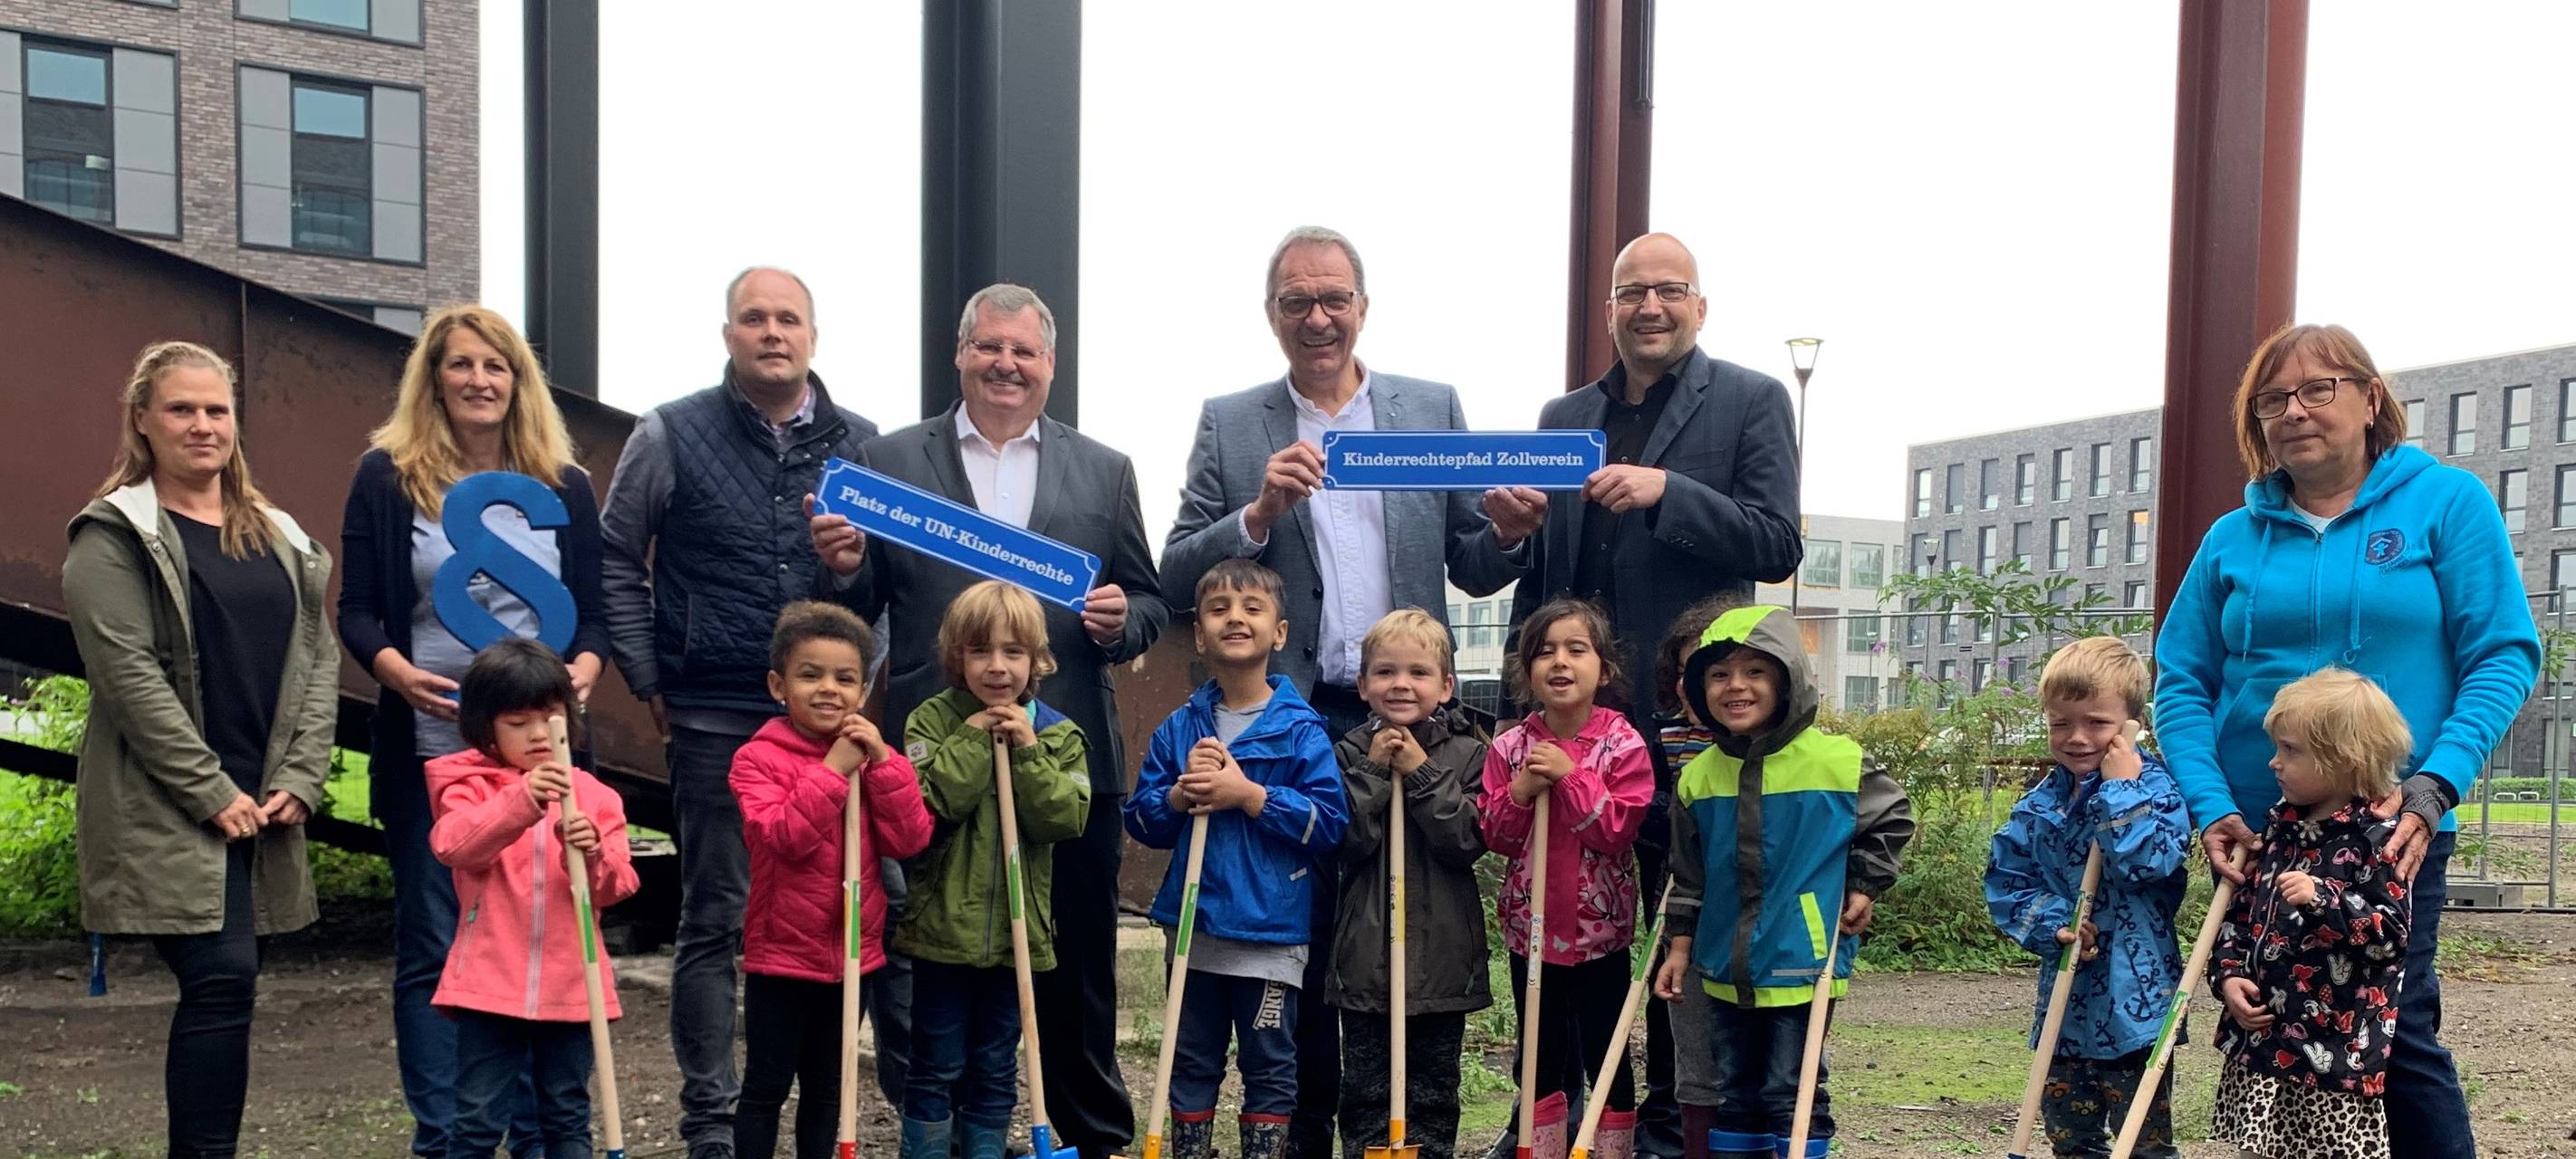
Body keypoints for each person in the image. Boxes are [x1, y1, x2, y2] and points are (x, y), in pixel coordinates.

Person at [1160, 227, 1538, 1155]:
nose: (1318, 317)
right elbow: (1174, 573)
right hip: (1292, 718)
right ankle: (1302, 1133)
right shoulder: (1230, 422)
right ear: (1271, 314)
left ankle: (1391, 1127)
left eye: (1334, 298)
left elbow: (1472, 559)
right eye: (1297, 301)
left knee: (1389, 932)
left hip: (1405, 718)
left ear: (1363, 306)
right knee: (1303, 937)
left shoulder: (1429, 409)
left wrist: (1511, 533)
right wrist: (1257, 515)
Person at [2154, 322, 2539, 1159]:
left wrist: (2438, 782)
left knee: (2394, 1036)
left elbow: (2504, 653)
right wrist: (2211, 805)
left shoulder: (2447, 503)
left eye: (2318, 389)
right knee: (2270, 1032)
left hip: (2393, 825)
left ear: (2370, 399)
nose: (2294, 411)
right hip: (2256, 832)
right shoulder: (2231, 539)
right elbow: (2180, 681)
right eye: (2272, 400)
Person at [810, 283, 1167, 1159]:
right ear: (961, 353)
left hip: (1063, 754)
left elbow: (1150, 600)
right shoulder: (888, 460)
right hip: (934, 758)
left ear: (1050, 363)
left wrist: (1124, 619)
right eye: (990, 346)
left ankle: (1085, 1135)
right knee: (930, 956)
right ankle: (941, 1134)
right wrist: (844, 567)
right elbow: (854, 606)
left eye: (1024, 350)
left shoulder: (1106, 469)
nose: (1007, 363)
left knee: (1075, 960)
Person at [601, 266, 881, 1159]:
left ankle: (824, 1113)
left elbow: (889, 581)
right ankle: (713, 1121)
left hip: (831, 722)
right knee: (717, 915)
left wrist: (859, 658)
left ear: (813, 336)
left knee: (837, 910)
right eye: (753, 318)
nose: (772, 332)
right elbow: (616, 553)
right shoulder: (669, 432)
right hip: (715, 710)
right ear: (728, 334)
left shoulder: (863, 445)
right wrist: (646, 669)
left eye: (787, 318)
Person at [339, 303, 605, 1158]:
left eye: (496, 366)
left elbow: (595, 614)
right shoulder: (387, 477)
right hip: (433, 748)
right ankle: (447, 1136)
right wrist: (392, 671)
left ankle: (535, 1137)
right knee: (434, 942)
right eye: (461, 364)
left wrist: (586, 670)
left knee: (540, 934)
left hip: (542, 750)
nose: (479, 381)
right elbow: (358, 610)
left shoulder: (563, 484)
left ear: (520, 383)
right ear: (434, 377)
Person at [64, 340, 341, 1159]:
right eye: (181, 409)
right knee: (221, 978)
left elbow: (317, 659)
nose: (202, 425)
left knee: (233, 985)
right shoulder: (114, 535)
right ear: (142, 420)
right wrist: (210, 790)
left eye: (216, 410)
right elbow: (128, 678)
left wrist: (303, 775)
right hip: (168, 801)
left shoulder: (279, 533)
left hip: (265, 801)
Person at [1507, 233, 1802, 739]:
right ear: (1610, 313)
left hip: (1688, 706)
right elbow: (1538, 580)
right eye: (1632, 293)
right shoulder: (1563, 417)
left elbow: (1777, 547)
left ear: (1700, 309)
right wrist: (1513, 705)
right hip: (1571, 716)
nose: (1650, 307)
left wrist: (1671, 493)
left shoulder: (1753, 399)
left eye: (1670, 290)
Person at [1651, 605, 1913, 1159]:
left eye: (1755, 671)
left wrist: (1863, 884)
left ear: (1787, 679)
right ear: (1698, 689)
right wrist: (1679, 948)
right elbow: (1688, 874)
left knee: (1790, 1088)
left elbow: (1892, 819)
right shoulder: (1698, 778)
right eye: (1718, 674)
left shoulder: (1837, 762)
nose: (1735, 686)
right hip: (1723, 963)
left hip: (1804, 958)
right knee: (1733, 1091)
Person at [1124, 560, 1350, 1159]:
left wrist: (1250, 796)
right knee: (1189, 1058)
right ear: (1199, 635)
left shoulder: (1302, 731)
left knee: (1269, 1065)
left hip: (1270, 934)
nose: (1235, 618)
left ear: (1280, 632)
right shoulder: (1180, 729)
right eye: (1218, 609)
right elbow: (1142, 821)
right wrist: (1178, 796)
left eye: (1252, 608)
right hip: (1193, 929)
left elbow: (1329, 824)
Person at [896, 581, 1094, 1159]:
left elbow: (1064, 818)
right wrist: (973, 736)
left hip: (1016, 938)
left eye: (1013, 651)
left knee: (994, 1063)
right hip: (942, 933)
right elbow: (933, 804)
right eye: (980, 651)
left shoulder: (1058, 734)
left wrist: (1028, 751)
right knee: (935, 1061)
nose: (997, 666)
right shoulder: (930, 722)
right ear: (957, 657)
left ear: (1038, 660)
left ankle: (982, 1150)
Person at [729, 602, 934, 1159]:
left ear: (862, 691)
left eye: (845, 679)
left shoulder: (871, 758)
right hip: (781, 957)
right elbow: (784, 838)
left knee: (828, 1088)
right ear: (779, 685)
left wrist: (885, 764)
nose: (828, 689)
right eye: (810, 675)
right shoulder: (756, 759)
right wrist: (832, 770)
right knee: (766, 1085)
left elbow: (910, 839)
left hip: (852, 956)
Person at [426, 638, 639, 1159]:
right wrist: (521, 800)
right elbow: (454, 845)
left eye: (550, 717)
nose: (539, 734)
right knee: (477, 1119)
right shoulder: (467, 785)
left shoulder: (596, 796)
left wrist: (592, 854)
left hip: (573, 981)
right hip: (488, 982)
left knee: (567, 1113)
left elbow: (617, 887)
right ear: (486, 729)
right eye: (519, 723)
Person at [1983, 637, 2191, 1158]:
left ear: (2131, 725)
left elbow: (2147, 864)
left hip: (2137, 1004)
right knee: (2070, 1139)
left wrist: (2120, 791)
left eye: (2096, 723)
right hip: (2065, 1005)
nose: (2076, 738)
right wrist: (2055, 922)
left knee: (2142, 1144)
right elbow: (2007, 881)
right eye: (2061, 723)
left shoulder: (2157, 791)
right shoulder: (2039, 805)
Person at [2208, 669, 2415, 1159]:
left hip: (2333, 1055)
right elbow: (2240, 914)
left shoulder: (2378, 840)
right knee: (2256, 1148)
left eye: (2290, 750)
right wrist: (2229, 976)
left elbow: (2391, 939)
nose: (2274, 762)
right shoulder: (2280, 829)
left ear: (2344, 759)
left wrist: (2323, 899)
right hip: (2266, 1042)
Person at [1478, 599, 1654, 1159]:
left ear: (1604, 669)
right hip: (1529, 935)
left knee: (1608, 1053)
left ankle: (1613, 1150)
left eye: (1577, 649)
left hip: (1600, 936)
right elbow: (1496, 837)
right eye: (1545, 651)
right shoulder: (1510, 748)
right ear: (1526, 671)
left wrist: (1571, 777)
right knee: (1538, 1055)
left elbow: (1617, 830)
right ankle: (1542, 1149)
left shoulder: (1622, 744)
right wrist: (1522, 792)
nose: (1560, 661)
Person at [1326, 608, 1492, 1159]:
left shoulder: (1470, 753)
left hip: (1442, 957)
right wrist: (1374, 773)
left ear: (1446, 686)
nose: (1401, 684)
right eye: (1386, 671)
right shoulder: (1348, 752)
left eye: (1418, 672)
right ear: (1362, 684)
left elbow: (1466, 839)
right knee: (1367, 1093)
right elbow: (1344, 839)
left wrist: (1420, 772)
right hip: (1366, 959)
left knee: (1433, 1094)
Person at [1638, 595, 1741, 1159]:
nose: (1694, 682)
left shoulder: (1756, 742)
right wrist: (1682, 814)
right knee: (1673, 1017)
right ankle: (1668, 1125)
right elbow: (1642, 811)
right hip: (1674, 903)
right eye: (1685, 670)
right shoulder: (1661, 738)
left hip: (1745, 909)